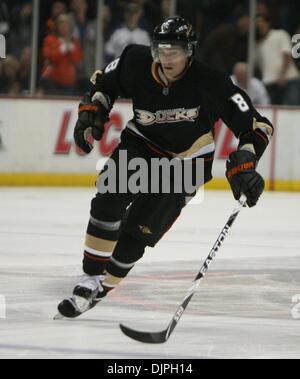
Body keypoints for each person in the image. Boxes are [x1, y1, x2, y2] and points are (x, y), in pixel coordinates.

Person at [56, 16, 274, 319]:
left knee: (140, 231)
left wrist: (245, 161)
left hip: (188, 163)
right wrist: (93, 111)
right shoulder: (134, 60)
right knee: (110, 198)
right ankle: (89, 278)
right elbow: (104, 84)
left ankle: (102, 289)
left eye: (175, 51)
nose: (166, 58)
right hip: (142, 143)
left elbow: (257, 126)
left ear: (190, 52)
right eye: (161, 50)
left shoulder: (212, 81)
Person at [256, 13, 300, 105]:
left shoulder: (280, 34)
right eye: (257, 23)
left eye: (261, 22)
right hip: (269, 83)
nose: (259, 25)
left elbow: (287, 55)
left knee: (291, 108)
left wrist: (282, 74)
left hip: (288, 79)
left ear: (268, 23)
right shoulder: (258, 44)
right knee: (273, 110)